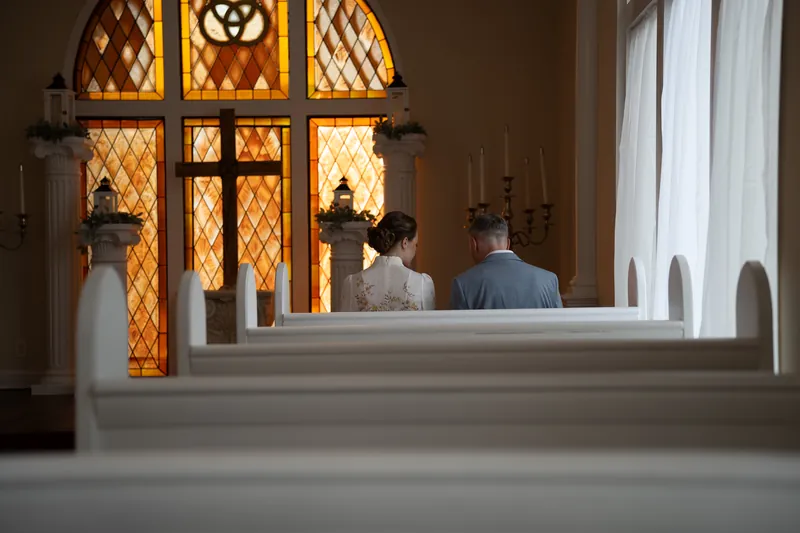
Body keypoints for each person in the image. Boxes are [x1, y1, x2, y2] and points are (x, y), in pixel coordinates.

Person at [450, 213, 562, 309]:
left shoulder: (463, 284)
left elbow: (455, 333)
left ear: (474, 244)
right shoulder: (549, 280)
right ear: (508, 244)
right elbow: (559, 330)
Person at [340, 211, 435, 311]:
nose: (415, 249)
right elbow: (428, 325)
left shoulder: (352, 283)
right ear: (405, 242)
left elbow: (346, 324)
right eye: (416, 244)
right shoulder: (422, 283)